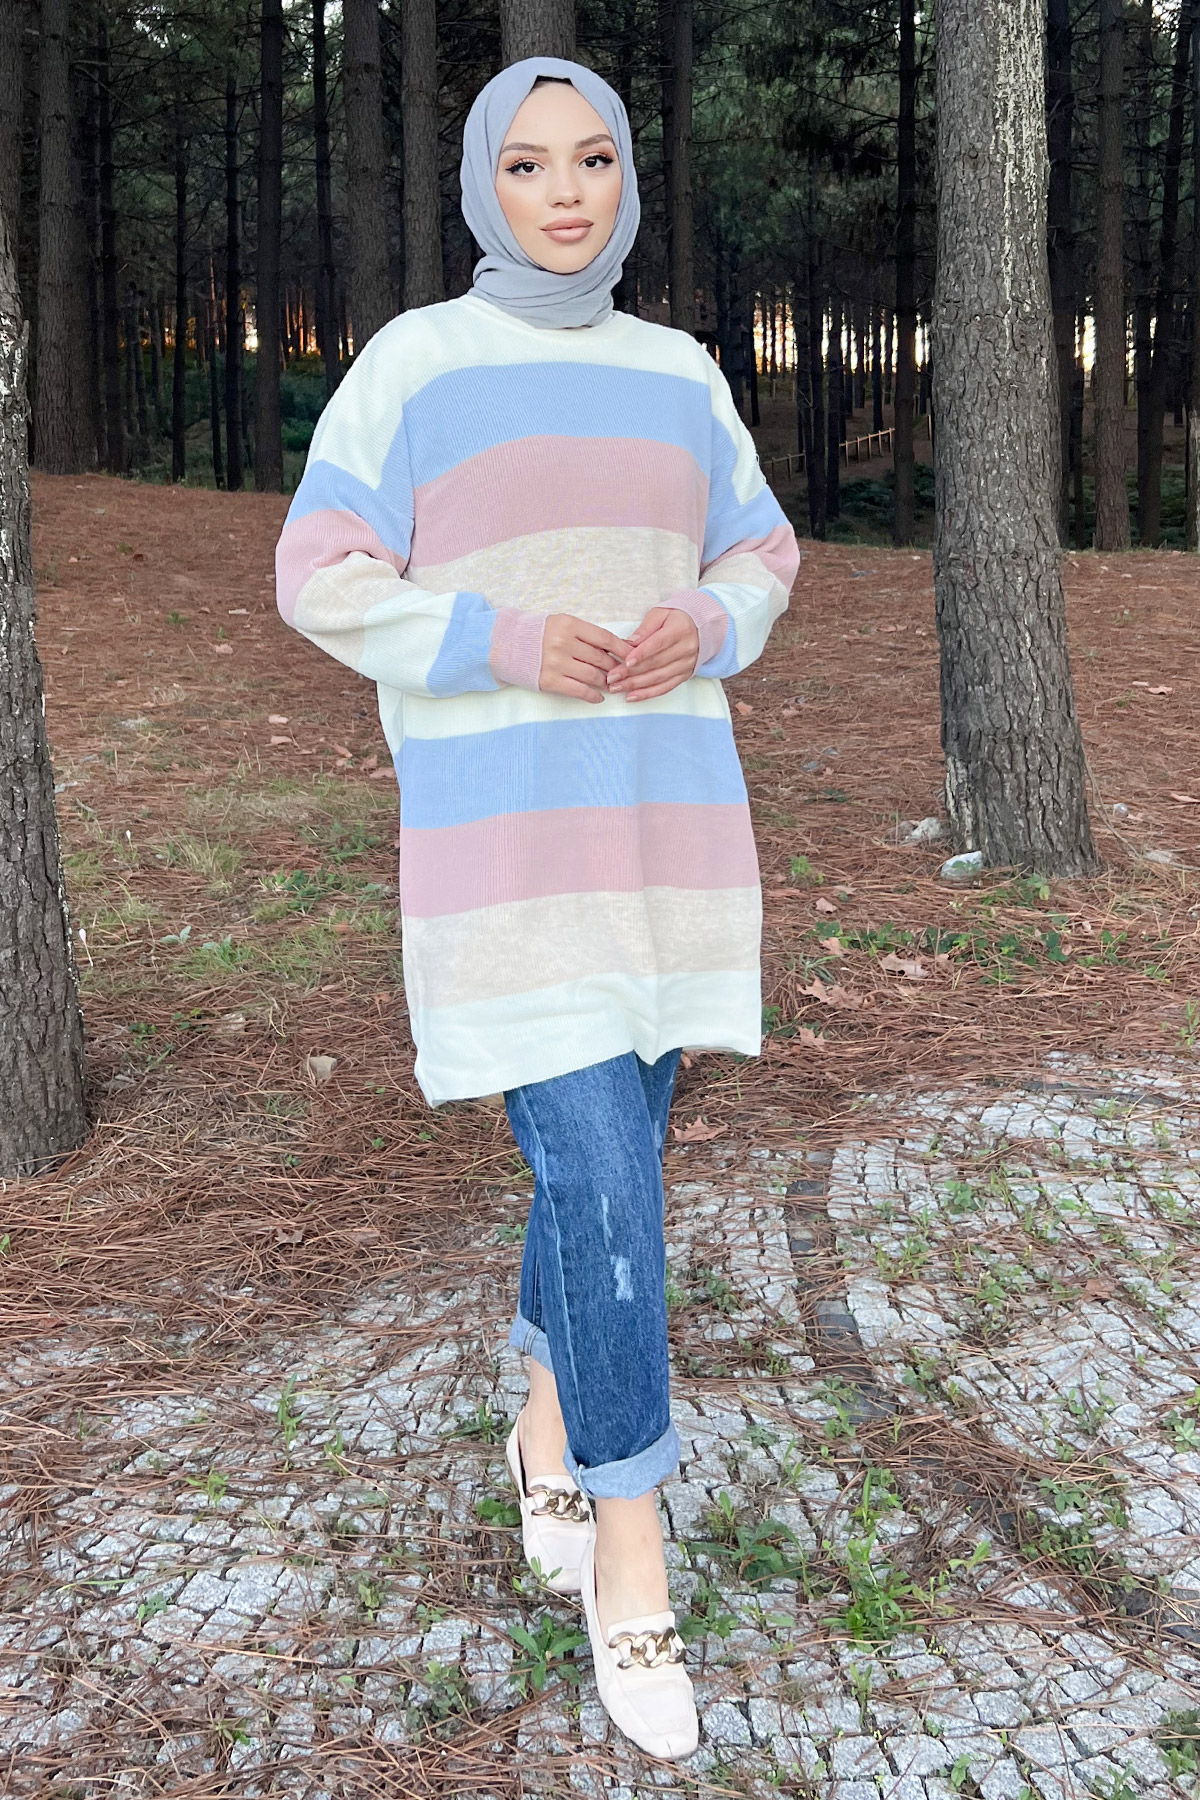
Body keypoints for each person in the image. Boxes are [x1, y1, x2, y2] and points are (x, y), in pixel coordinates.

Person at [275, 55, 800, 1761]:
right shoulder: (416, 364)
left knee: (608, 1166)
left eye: (591, 160)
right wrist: (501, 638)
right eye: (526, 164)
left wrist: (706, 623)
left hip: (667, 840)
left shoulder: (679, 375)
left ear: (627, 179)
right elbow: (317, 572)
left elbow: (764, 552)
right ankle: (631, 1549)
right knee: (601, 1178)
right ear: (481, 187)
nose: (564, 192)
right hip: (503, 858)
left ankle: (546, 1418)